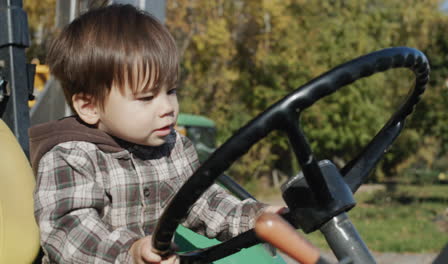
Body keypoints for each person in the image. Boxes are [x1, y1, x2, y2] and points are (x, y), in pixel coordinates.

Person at [30, 4, 283, 264]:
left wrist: (257, 218)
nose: (167, 108)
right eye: (147, 97)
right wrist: (130, 252)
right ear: (90, 107)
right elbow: (69, 232)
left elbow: (202, 203)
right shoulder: (70, 157)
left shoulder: (173, 147)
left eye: (171, 91)